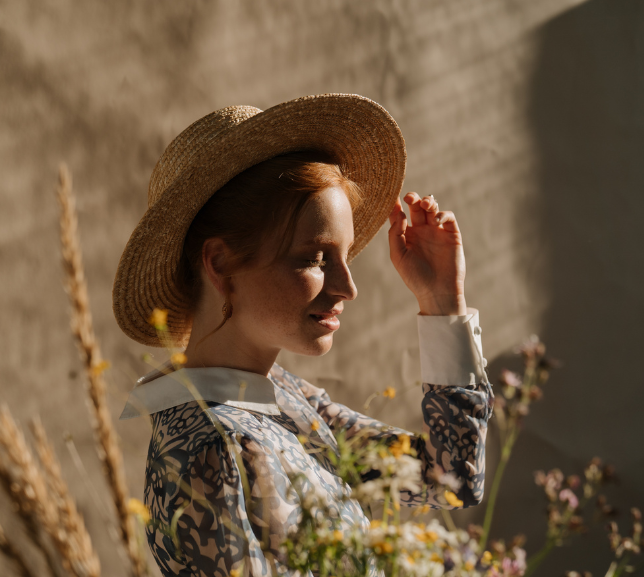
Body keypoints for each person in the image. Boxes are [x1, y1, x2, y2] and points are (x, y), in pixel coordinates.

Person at [113, 94, 493, 576]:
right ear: (221, 263)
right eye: (315, 258)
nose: (347, 287)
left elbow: (451, 479)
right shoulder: (211, 453)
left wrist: (442, 302)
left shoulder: (283, 396)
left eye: (346, 255)